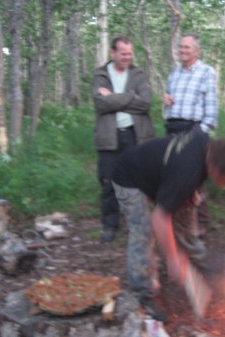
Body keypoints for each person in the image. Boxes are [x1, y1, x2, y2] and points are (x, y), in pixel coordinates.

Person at [112, 128, 225, 321]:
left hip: (159, 176)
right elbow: (159, 217)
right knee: (143, 232)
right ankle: (145, 293)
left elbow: (175, 167)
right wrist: (172, 257)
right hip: (129, 178)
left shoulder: (205, 144)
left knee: (187, 221)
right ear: (219, 168)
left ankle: (209, 272)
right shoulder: (186, 171)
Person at [92, 36, 155, 243]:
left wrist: (115, 97)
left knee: (138, 182)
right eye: (123, 53)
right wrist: (130, 96)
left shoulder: (138, 74)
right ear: (113, 53)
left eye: (130, 53)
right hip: (109, 136)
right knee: (109, 182)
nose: (127, 57)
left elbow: (145, 103)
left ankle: (137, 224)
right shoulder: (101, 74)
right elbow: (101, 104)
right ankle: (110, 226)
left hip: (135, 135)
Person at [163, 33, 219, 236]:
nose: (183, 50)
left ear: (197, 51)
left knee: (196, 178)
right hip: (172, 129)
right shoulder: (174, 74)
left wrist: (199, 133)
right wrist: (166, 102)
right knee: (175, 177)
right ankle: (181, 220)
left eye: (187, 47)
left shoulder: (206, 72)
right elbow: (169, 104)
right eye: (181, 47)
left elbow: (211, 110)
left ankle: (201, 224)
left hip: (193, 130)